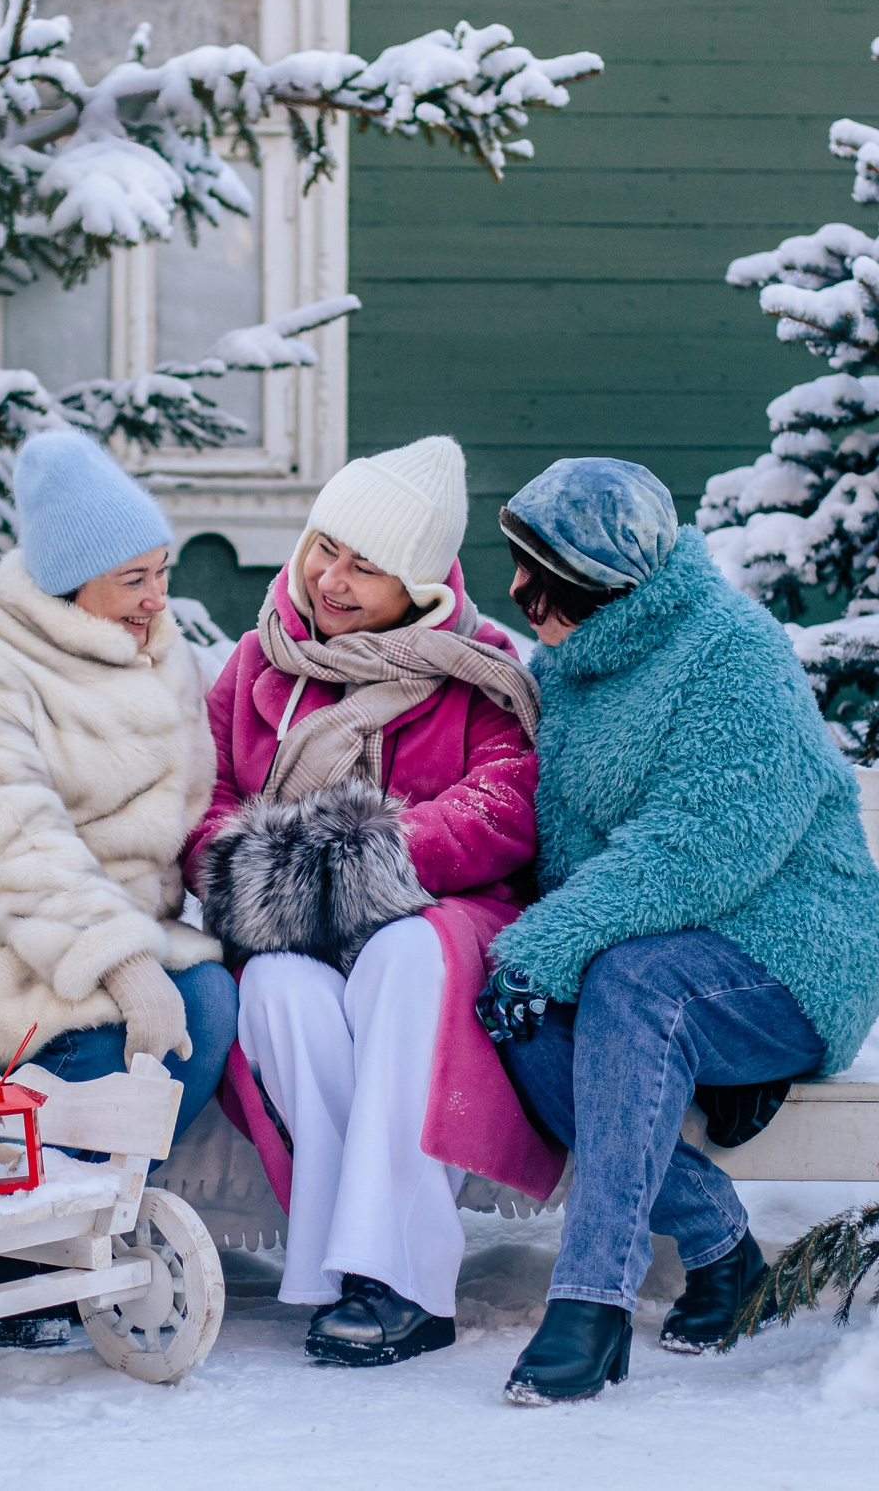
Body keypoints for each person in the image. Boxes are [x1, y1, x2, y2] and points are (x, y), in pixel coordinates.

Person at [475, 457, 879, 1405]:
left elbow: (697, 848)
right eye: (515, 567)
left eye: (539, 577)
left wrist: (556, 938)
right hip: (655, 950)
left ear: (603, 578)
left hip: (795, 948)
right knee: (520, 1011)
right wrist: (531, 947)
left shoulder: (731, 651)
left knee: (629, 982)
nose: (518, 593)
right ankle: (721, 1247)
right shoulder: (571, 666)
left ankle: (591, 1305)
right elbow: (570, 845)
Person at [183, 436, 559, 1369]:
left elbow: (504, 805)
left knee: (400, 954)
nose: (331, 579)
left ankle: (406, 1280)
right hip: (289, 930)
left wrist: (354, 866)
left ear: (422, 579)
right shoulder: (258, 662)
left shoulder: (481, 671)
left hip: (441, 924)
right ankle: (350, 1264)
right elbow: (211, 803)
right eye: (325, 547)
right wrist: (272, 879)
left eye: (367, 564)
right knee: (274, 984)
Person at [0, 431, 236, 1346]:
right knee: (110, 1023)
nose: (158, 599)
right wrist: (121, 962)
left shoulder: (157, 650)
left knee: (214, 1002)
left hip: (99, 924)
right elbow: (10, 843)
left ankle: (84, 1221)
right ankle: (20, 1247)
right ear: (73, 579)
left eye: (162, 572)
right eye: (134, 580)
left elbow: (188, 810)